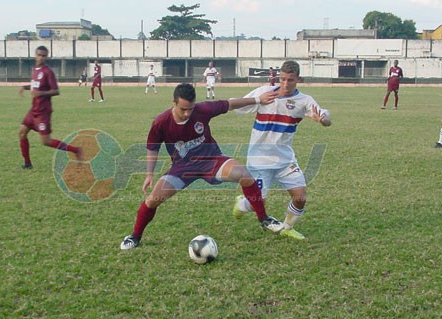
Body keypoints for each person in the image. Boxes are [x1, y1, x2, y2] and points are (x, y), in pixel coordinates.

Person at [120, 83, 283, 250]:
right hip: (182, 168)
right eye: (183, 109)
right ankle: (135, 236)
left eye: (190, 109)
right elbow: (152, 148)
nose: (187, 113)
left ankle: (264, 219)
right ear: (174, 102)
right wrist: (149, 174)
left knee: (244, 175)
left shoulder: (203, 109)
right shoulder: (161, 122)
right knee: (152, 200)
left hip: (210, 160)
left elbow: (230, 103)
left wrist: (257, 99)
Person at [232, 60, 332, 240]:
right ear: (279, 77)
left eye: (291, 80)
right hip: (259, 160)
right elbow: (236, 105)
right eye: (283, 79)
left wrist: (322, 119)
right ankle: (241, 204)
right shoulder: (264, 93)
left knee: (300, 197)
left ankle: (287, 227)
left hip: (285, 159)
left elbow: (325, 117)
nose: (286, 84)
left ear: (298, 79)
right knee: (256, 202)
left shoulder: (304, 101)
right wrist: (257, 100)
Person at [18, 45, 82, 169]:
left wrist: (40, 94)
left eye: (43, 55)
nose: (41, 57)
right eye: (39, 55)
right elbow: (35, 86)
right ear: (35, 55)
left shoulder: (48, 72)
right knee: (21, 133)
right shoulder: (35, 70)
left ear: (46, 57)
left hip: (43, 112)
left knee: (46, 141)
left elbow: (56, 91)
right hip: (33, 111)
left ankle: (76, 150)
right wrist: (25, 87)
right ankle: (27, 163)